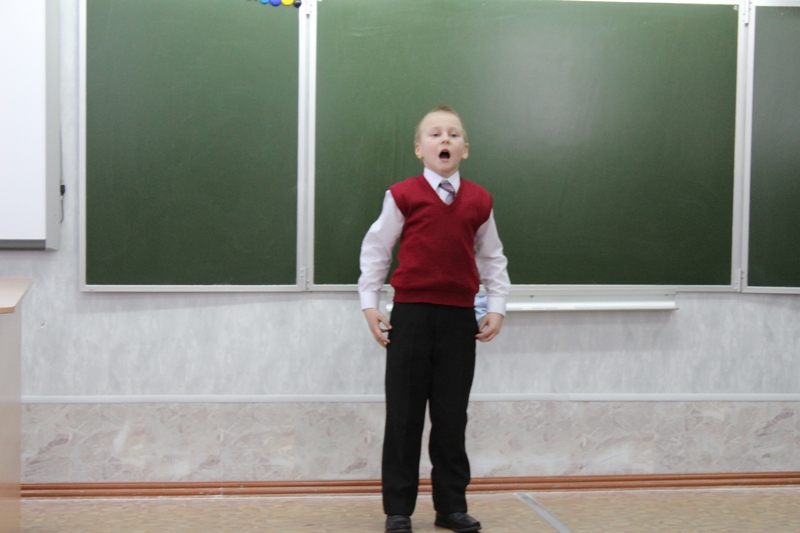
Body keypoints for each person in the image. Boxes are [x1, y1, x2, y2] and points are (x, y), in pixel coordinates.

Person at [358, 106, 510, 533]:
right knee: (404, 416)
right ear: (419, 149)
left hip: (460, 320)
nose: (445, 140)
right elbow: (377, 248)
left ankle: (451, 506)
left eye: (453, 135)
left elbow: (492, 258)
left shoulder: (479, 201)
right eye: (435, 134)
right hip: (410, 317)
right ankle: (398, 510)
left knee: (451, 417)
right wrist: (370, 303)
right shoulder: (402, 195)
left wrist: (496, 306)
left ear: (465, 149)